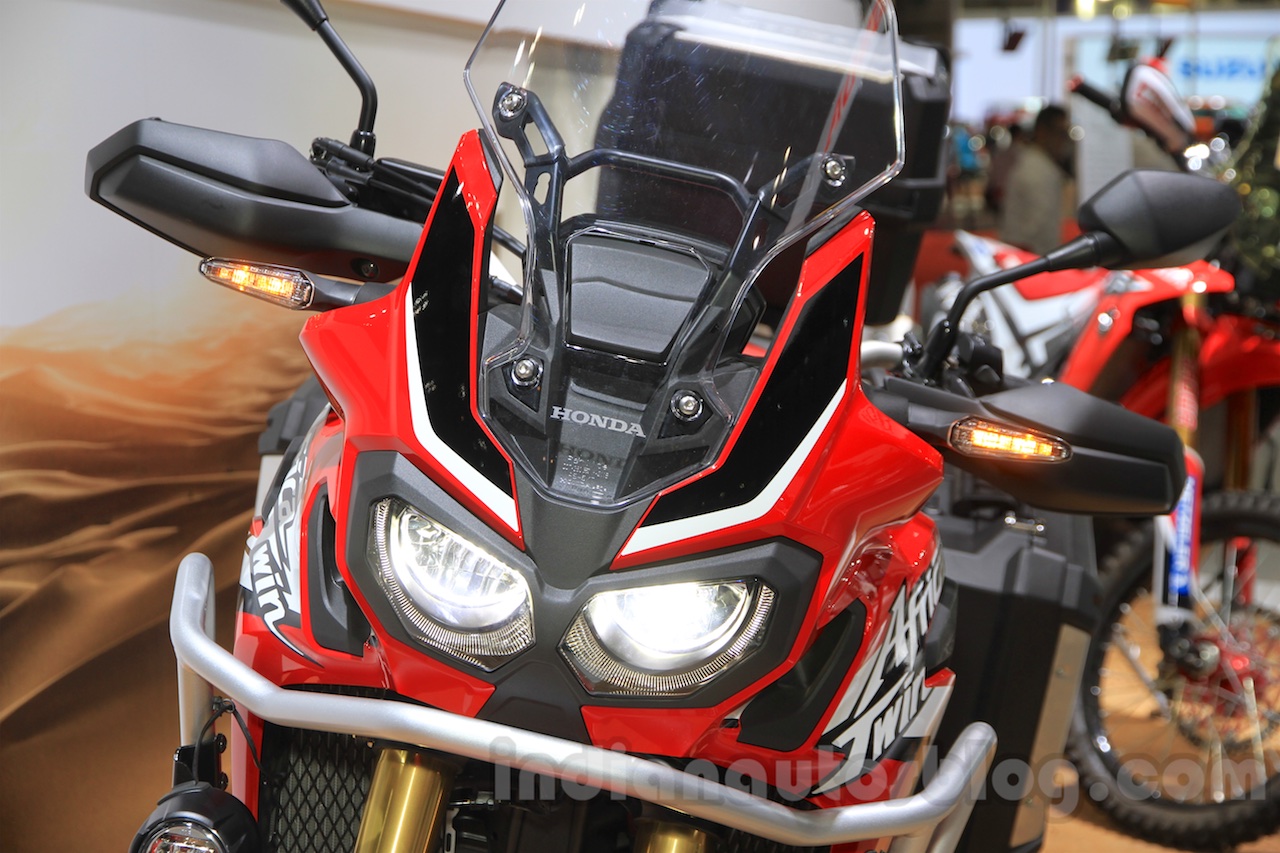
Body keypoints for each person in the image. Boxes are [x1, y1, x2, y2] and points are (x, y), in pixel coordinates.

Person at [998, 104, 1073, 254]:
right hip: (1032, 256)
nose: (1064, 140)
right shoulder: (1036, 170)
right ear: (1042, 131)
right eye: (1060, 132)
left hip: (1034, 256)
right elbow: (1037, 229)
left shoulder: (1039, 165)